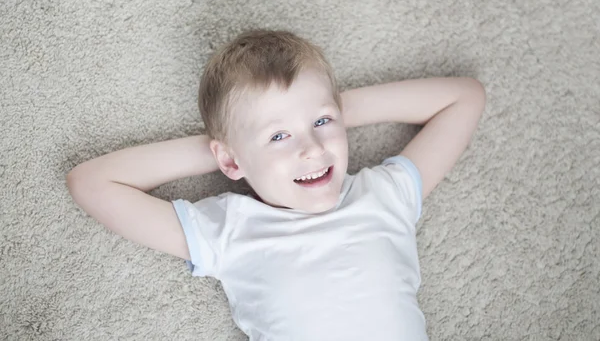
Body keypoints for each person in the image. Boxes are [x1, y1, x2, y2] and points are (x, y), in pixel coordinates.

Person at [66, 29, 486, 340]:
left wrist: (335, 109)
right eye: (278, 136)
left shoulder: (384, 194)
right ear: (228, 159)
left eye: (321, 123)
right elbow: (92, 182)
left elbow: (465, 98)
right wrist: (229, 152)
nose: (312, 148)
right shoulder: (230, 229)